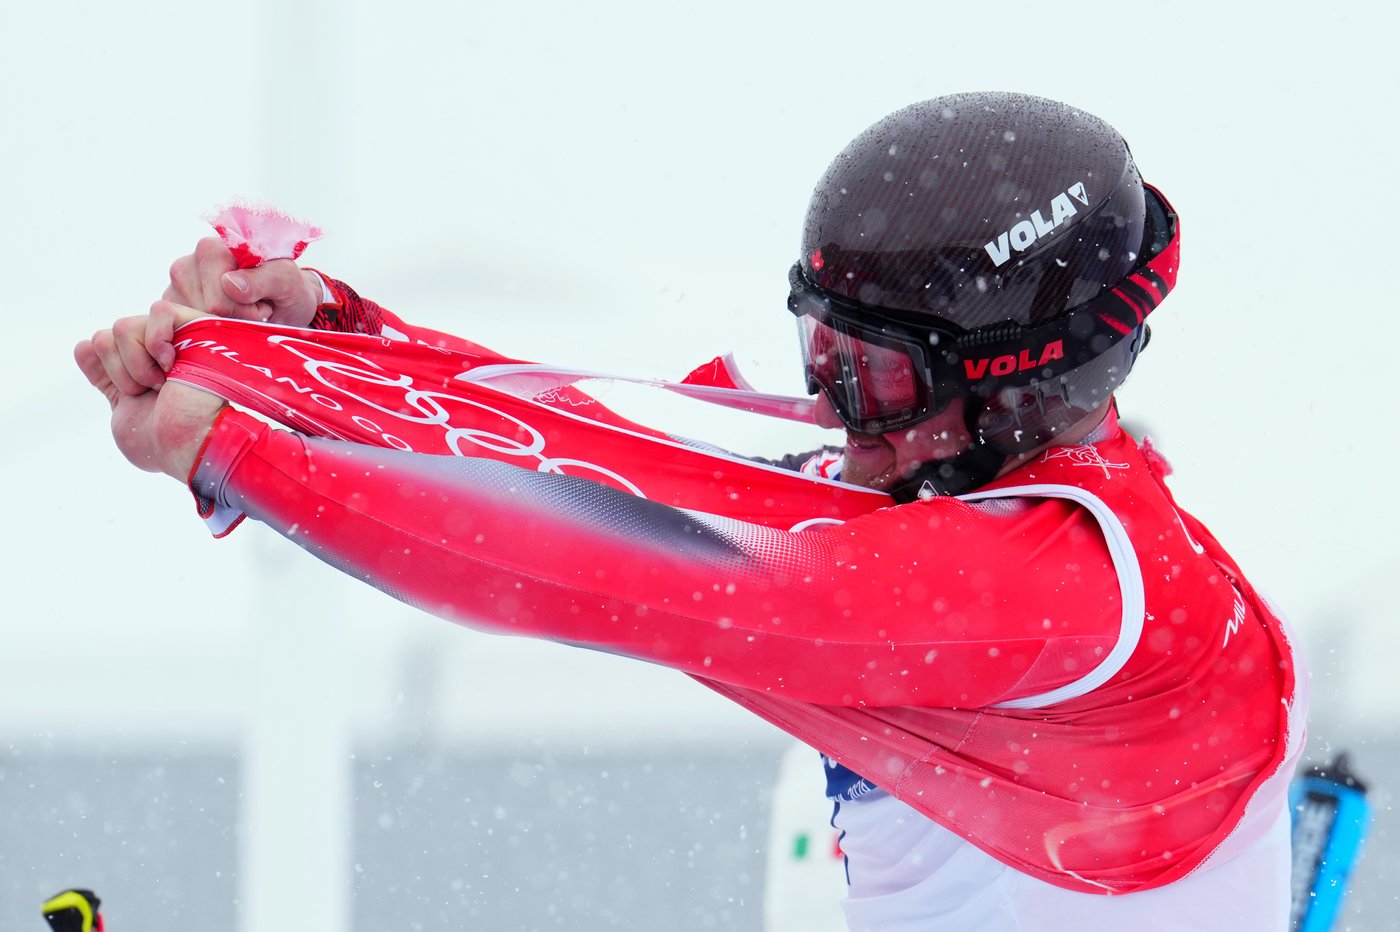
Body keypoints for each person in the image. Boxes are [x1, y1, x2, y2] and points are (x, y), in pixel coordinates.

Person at [76, 92, 1305, 931]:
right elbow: (614, 455)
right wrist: (328, 344)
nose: (829, 405)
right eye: (817, 349)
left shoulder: (1071, 591)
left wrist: (242, 448)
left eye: (870, 374)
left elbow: (612, 570)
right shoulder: (920, 484)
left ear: (1011, 385)